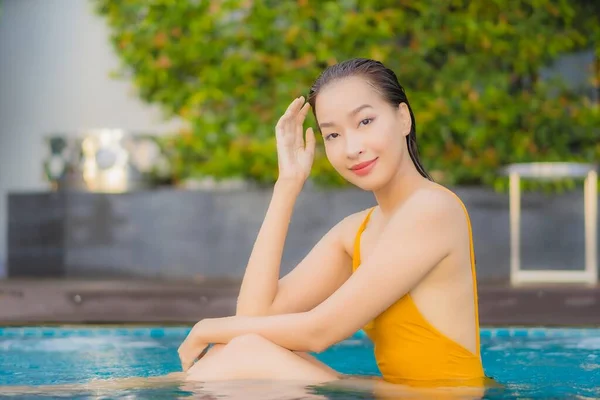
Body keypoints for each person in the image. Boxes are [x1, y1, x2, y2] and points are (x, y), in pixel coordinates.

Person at [178, 57, 487, 387]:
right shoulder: (356, 230)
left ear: (403, 118)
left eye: (365, 121)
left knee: (244, 354)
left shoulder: (432, 209)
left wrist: (206, 328)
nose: (352, 148)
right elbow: (254, 317)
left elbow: (319, 332)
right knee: (244, 348)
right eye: (334, 135)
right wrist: (287, 184)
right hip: (394, 392)